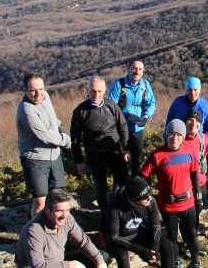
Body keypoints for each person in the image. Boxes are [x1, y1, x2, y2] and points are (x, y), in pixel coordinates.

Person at [106, 176, 188, 268]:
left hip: (137, 231)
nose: (149, 199)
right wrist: (140, 250)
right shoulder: (116, 207)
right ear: (133, 200)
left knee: (167, 245)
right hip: (119, 238)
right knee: (123, 260)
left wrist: (154, 248)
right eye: (145, 198)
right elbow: (113, 237)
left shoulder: (150, 202)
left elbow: (156, 226)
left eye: (149, 194)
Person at [140, 119, 206, 268]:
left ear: (183, 137)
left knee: (191, 234)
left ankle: (195, 263)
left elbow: (195, 176)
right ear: (167, 135)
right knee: (171, 237)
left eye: (178, 135)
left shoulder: (189, 152)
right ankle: (175, 263)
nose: (174, 138)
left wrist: (198, 197)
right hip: (168, 205)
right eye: (171, 134)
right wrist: (146, 196)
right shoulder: (157, 155)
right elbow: (142, 177)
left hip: (188, 202)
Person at [70, 76, 129, 224]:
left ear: (105, 91)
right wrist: (79, 160)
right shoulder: (80, 111)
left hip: (114, 151)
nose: (96, 95)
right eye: (93, 91)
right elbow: (75, 139)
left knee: (122, 182)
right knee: (101, 188)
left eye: (99, 91)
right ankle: (107, 216)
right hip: (94, 154)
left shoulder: (111, 106)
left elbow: (123, 128)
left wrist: (126, 149)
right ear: (87, 90)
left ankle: (121, 212)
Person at [16, 73, 72, 217]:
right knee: (40, 201)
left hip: (54, 157)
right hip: (36, 159)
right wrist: (65, 140)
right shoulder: (26, 109)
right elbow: (44, 135)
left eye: (41, 88)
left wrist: (61, 128)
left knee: (56, 197)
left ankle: (54, 228)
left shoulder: (45, 97)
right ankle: (37, 233)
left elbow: (53, 118)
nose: (38, 94)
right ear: (26, 90)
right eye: (33, 90)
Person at [107, 60, 156, 177]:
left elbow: (151, 103)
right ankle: (120, 187)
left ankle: (134, 186)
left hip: (138, 129)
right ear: (128, 70)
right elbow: (111, 106)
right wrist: (126, 115)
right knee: (120, 160)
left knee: (136, 161)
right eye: (134, 68)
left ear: (143, 72)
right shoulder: (119, 85)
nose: (136, 71)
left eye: (139, 69)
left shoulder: (145, 85)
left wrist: (146, 115)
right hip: (121, 129)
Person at [166, 76, 208, 161]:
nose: (192, 92)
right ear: (186, 90)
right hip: (179, 142)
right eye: (190, 89)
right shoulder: (177, 103)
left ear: (199, 90)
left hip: (197, 143)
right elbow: (169, 122)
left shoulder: (206, 107)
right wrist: (167, 141)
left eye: (195, 90)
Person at [180, 109, 208, 256]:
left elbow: (203, 156)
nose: (194, 123)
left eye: (197, 121)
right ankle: (186, 244)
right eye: (190, 120)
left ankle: (193, 240)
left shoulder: (203, 138)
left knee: (197, 213)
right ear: (185, 122)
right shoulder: (179, 140)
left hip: (201, 182)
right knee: (186, 216)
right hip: (185, 185)